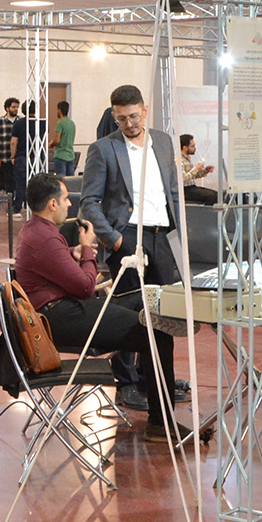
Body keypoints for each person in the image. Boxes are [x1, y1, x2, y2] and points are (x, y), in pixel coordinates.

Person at [15, 172, 180, 443]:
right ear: (52, 204)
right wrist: (86, 250)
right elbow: (85, 287)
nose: (70, 204)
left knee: (144, 301)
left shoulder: (35, 231)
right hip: (59, 317)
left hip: (61, 309)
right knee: (155, 331)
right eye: (66, 199)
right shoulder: (45, 238)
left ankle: (154, 397)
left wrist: (71, 255)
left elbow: (54, 268)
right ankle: (161, 424)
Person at [81, 84, 189, 415]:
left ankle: (151, 381)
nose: (129, 124)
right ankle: (125, 381)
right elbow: (89, 201)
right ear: (114, 116)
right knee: (130, 315)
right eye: (121, 119)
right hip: (127, 236)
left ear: (144, 110)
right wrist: (114, 239)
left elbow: (173, 191)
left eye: (133, 116)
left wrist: (179, 232)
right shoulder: (104, 149)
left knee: (162, 316)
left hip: (161, 237)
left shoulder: (164, 142)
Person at [0, 97, 20, 213]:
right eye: (13, 107)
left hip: (17, 158)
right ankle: (9, 204)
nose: (16, 109)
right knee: (7, 183)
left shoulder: (20, 121)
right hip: (4, 157)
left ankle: (17, 203)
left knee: (17, 182)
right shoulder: (0, 122)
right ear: (7, 108)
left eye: (17, 107)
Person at [178, 132, 217, 205]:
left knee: (217, 194)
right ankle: (206, 211)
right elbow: (182, 178)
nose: (195, 148)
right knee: (212, 196)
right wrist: (196, 169)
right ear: (185, 148)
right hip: (185, 190)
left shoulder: (186, 159)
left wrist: (205, 171)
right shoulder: (178, 160)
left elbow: (193, 175)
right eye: (192, 146)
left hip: (191, 187)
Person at [52, 100, 78, 176]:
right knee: (70, 180)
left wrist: (51, 144)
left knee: (61, 179)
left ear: (59, 110)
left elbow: (57, 140)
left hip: (60, 155)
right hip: (70, 155)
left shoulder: (60, 123)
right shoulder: (72, 123)